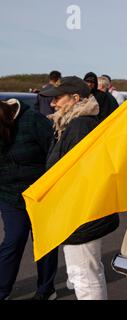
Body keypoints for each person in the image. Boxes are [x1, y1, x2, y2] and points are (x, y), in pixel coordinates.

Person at [40, 76, 119, 300]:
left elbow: (78, 174)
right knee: (85, 272)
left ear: (75, 99)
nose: (53, 104)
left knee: (84, 275)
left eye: (57, 98)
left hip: (81, 212)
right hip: (77, 210)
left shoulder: (80, 125)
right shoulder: (70, 124)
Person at [0, 98, 58, 300]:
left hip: (40, 193)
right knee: (13, 240)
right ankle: (2, 290)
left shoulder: (33, 120)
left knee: (43, 242)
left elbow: (54, 153)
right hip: (9, 195)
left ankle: (46, 290)